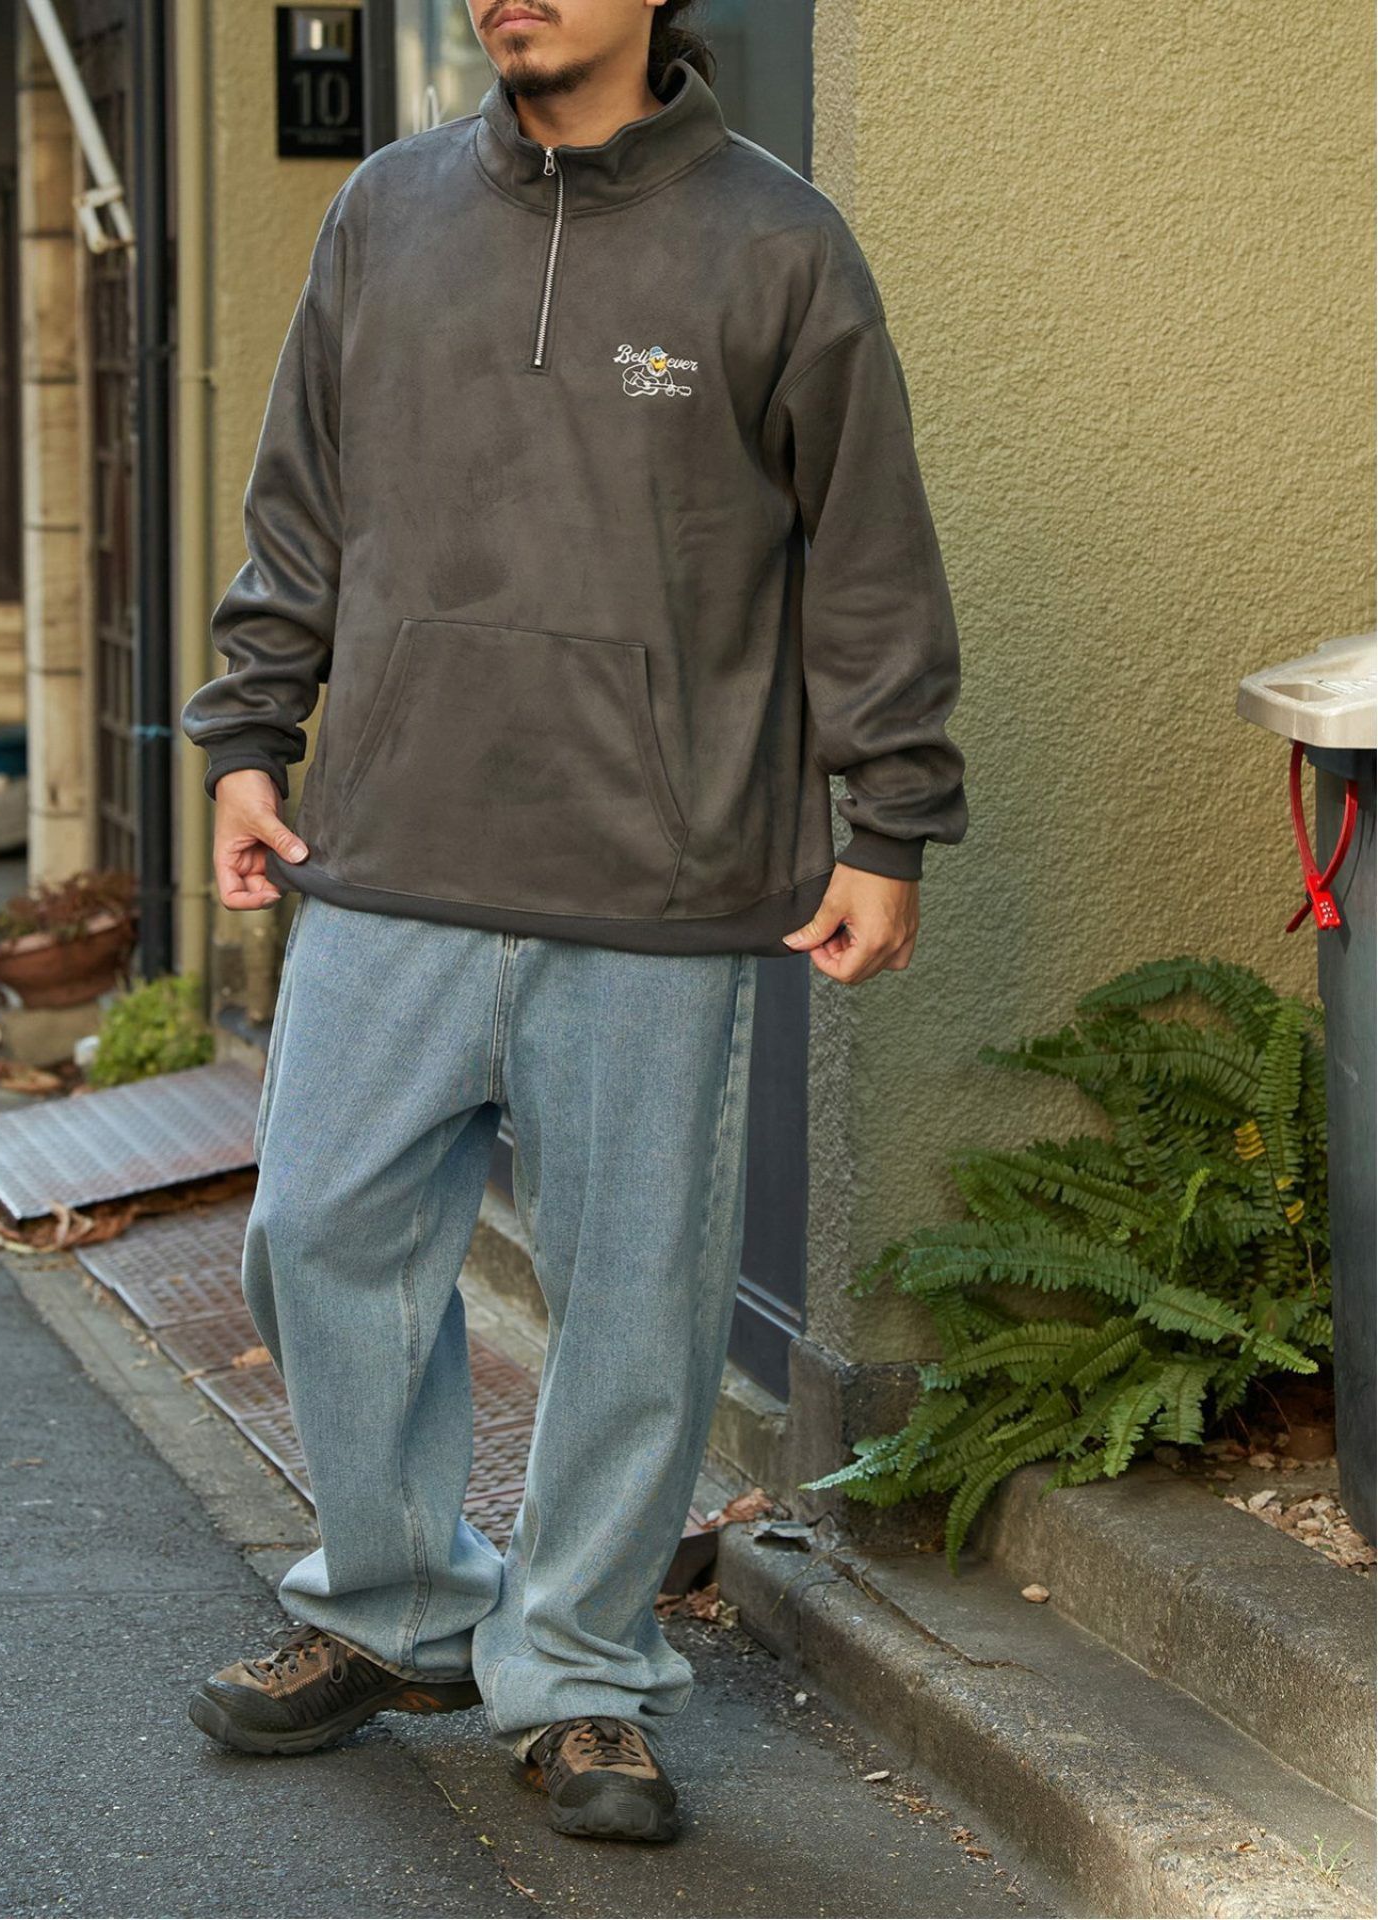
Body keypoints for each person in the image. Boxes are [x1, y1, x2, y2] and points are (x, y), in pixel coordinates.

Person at [179, 0, 967, 1847]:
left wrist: (891, 822)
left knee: (635, 1296)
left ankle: (584, 1671)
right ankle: (400, 1605)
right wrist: (247, 735)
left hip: (660, 878)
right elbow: (303, 503)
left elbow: (867, 555)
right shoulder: (383, 212)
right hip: (392, 839)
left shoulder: (777, 242)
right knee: (318, 1231)